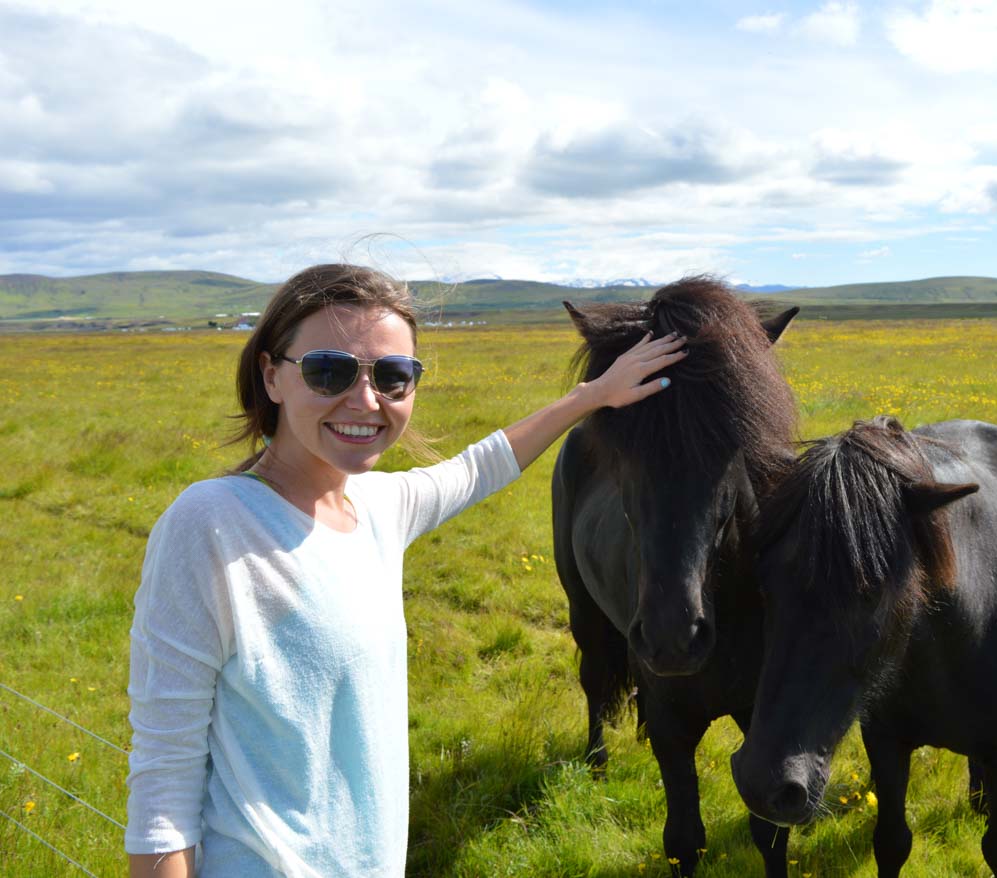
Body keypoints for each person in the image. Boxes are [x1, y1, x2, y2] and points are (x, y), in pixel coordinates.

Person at [125, 263, 687, 877]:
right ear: (272, 375)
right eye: (329, 370)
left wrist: (594, 395)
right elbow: (163, 789)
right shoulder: (210, 524)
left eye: (393, 377)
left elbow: (480, 466)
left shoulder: (375, 508)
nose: (365, 400)